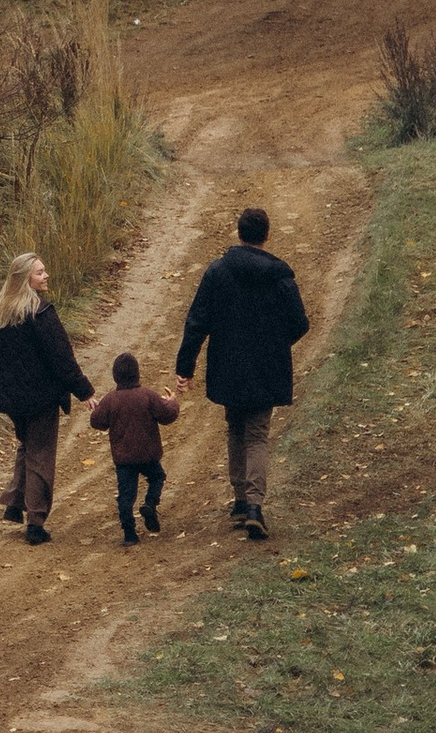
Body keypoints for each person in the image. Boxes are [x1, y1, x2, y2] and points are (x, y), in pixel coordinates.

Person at [173, 206, 309, 542]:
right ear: (267, 235)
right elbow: (300, 324)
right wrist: (277, 344)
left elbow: (196, 322)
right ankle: (254, 506)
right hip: (266, 367)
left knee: (235, 427)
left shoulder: (218, 272)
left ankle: (238, 501)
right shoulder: (280, 277)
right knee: (258, 434)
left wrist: (184, 369)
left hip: (228, 365)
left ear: (238, 233)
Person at [0, 250, 92, 546]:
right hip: (41, 397)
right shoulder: (40, 313)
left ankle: (14, 502)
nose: (45, 276)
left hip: (11, 400)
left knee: (27, 445)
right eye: (39, 272)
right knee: (41, 453)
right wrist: (84, 391)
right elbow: (62, 358)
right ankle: (35, 521)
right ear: (25, 279)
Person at [87, 350, 180, 545]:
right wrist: (172, 402)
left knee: (126, 495)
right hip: (149, 455)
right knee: (157, 477)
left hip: (124, 459)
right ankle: (150, 503)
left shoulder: (111, 399)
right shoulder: (147, 395)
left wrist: (96, 411)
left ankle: (129, 534)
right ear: (137, 373)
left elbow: (97, 422)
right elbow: (166, 415)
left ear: (115, 376)